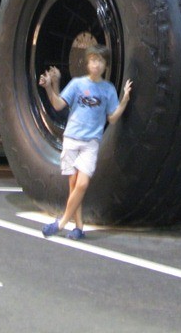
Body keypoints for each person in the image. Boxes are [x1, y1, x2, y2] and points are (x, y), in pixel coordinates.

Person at [38, 44, 132, 240]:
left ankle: (62, 222)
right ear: (88, 63)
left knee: (82, 184)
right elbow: (57, 104)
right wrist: (49, 87)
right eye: (93, 60)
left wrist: (124, 100)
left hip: (91, 142)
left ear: (105, 65)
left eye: (100, 61)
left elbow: (112, 118)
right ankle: (79, 228)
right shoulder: (77, 84)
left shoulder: (108, 89)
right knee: (73, 185)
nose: (96, 65)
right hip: (71, 139)